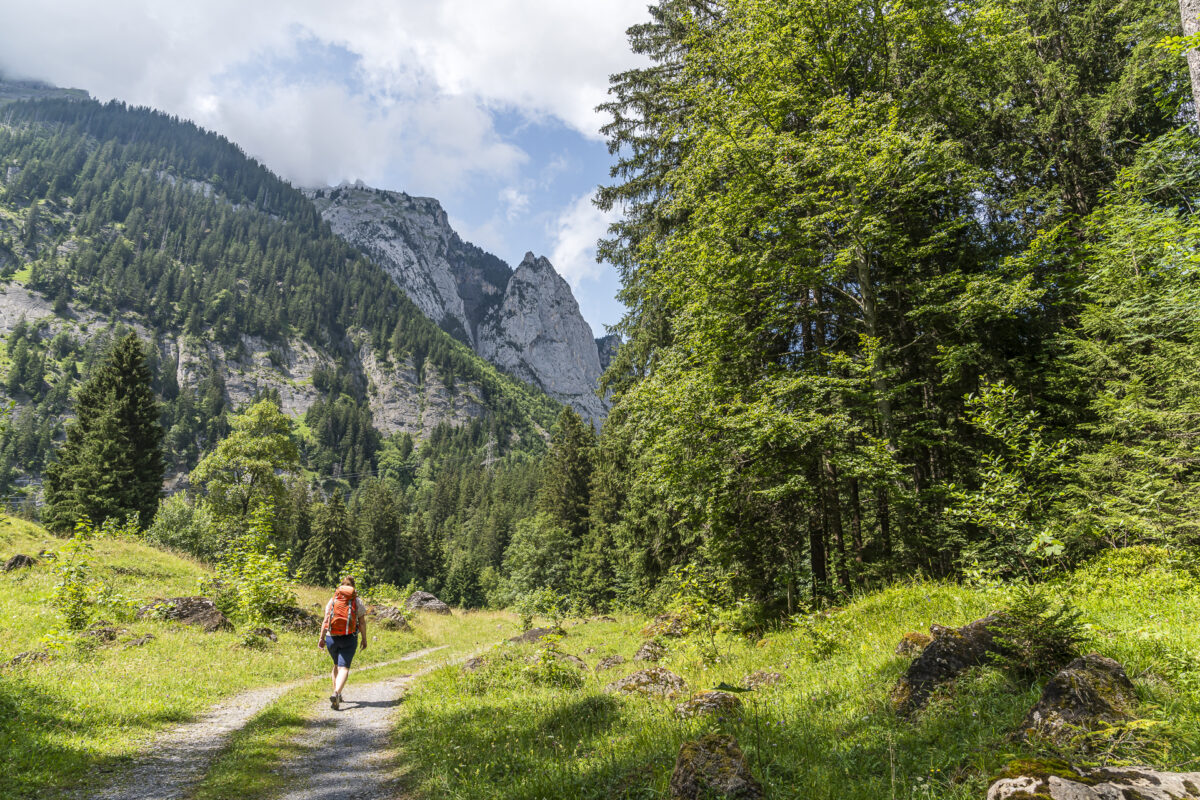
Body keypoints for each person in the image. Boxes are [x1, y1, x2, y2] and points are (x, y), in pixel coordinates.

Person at [318, 575, 368, 710]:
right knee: (344, 667)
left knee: (336, 665)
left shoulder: (333, 599)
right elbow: (362, 622)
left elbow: (326, 620)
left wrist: (321, 638)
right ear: (353, 587)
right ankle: (337, 693)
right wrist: (364, 638)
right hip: (349, 638)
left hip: (331, 638)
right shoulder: (356, 600)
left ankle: (337, 696)